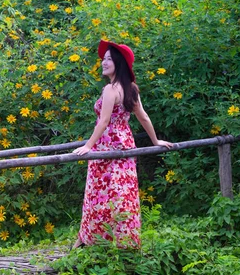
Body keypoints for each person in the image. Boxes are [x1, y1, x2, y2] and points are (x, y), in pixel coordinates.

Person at [71, 40, 173, 249]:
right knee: (121, 193)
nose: (104, 62)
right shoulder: (130, 89)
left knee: (99, 193)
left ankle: (94, 241)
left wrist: (89, 146)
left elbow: (105, 121)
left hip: (107, 146)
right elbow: (143, 117)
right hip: (125, 144)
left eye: (109, 59)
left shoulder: (110, 90)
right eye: (104, 59)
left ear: (119, 63)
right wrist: (155, 140)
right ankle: (123, 242)